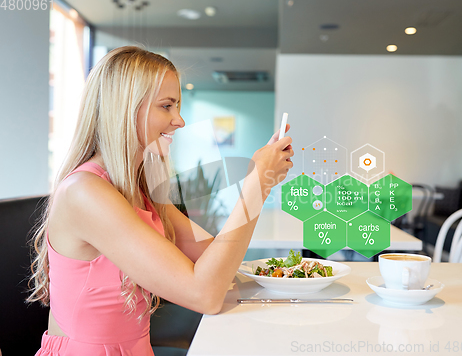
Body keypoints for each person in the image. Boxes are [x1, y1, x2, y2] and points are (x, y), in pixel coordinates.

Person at [27, 46, 293, 355]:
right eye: (166, 106)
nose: (179, 121)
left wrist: (262, 181)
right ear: (124, 109)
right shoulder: (85, 192)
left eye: (177, 106)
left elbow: (213, 262)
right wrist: (257, 184)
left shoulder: (139, 189)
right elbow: (204, 294)